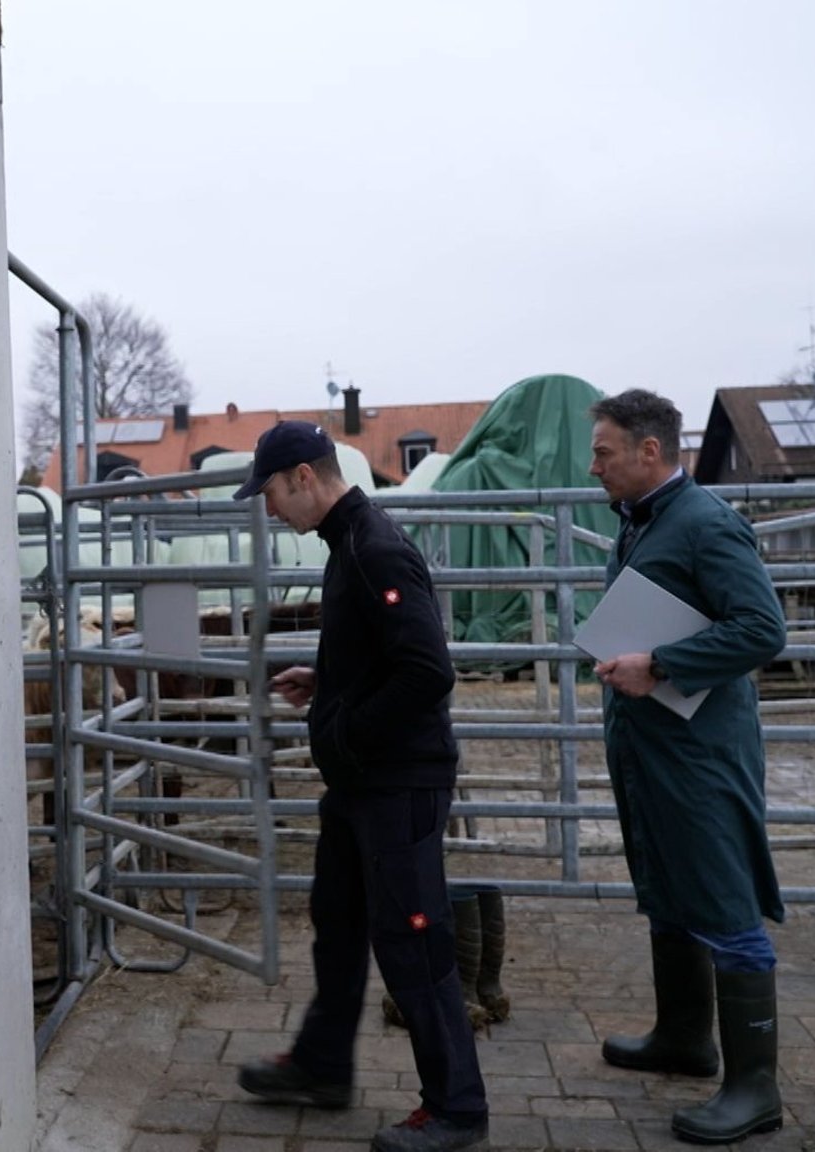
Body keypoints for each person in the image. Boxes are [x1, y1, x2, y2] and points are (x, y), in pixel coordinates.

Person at [230, 421, 489, 1152]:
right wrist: (331, 682)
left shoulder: (374, 548)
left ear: (306, 478)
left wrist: (346, 729)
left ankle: (457, 1108)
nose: (272, 509)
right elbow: (386, 659)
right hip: (361, 783)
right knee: (338, 921)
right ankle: (322, 1062)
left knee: (413, 939)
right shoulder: (348, 544)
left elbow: (427, 671)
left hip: (395, 782)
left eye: (274, 493)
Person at [586, 389, 788, 1144]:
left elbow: (763, 628)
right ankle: (684, 1037)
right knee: (670, 884)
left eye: (605, 451)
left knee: (725, 900)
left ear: (649, 451)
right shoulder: (644, 523)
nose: (593, 465)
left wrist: (663, 663)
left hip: (700, 754)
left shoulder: (705, 523)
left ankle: (755, 1090)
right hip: (655, 748)